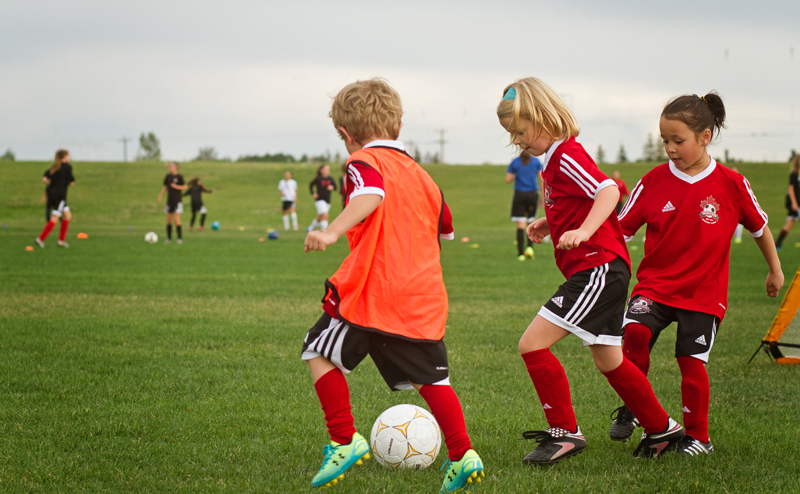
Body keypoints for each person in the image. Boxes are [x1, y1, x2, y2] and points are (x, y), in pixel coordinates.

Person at [302, 78, 483, 492]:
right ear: (397, 126)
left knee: (316, 350)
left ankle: (343, 439)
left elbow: (371, 194)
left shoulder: (364, 162)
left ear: (346, 135)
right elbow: (447, 229)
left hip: (373, 290)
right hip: (420, 297)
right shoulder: (422, 175)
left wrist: (332, 232)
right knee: (433, 381)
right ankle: (462, 454)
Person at [497, 77, 684, 465]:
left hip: (598, 267)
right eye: (511, 135)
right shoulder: (554, 161)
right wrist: (550, 223)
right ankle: (661, 427)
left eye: (520, 131)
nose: (517, 141)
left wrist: (583, 231)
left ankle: (564, 433)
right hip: (604, 268)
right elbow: (578, 198)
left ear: (544, 118)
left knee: (532, 344)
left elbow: (609, 191)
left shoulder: (566, 155)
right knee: (609, 360)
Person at [612, 92, 783, 456]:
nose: (670, 148)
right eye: (664, 141)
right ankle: (638, 410)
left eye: (678, 140)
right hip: (654, 286)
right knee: (635, 333)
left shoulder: (731, 183)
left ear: (704, 137)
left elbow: (759, 229)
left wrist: (775, 269)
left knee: (690, 361)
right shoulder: (653, 180)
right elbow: (620, 230)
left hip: (703, 293)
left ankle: (698, 438)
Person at [506, 150, 543, 260]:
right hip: (532, 194)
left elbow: (507, 179)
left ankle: (521, 254)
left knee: (520, 225)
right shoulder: (536, 162)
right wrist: (542, 196)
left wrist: (515, 177)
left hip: (519, 194)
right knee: (531, 222)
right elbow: (541, 178)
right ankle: (530, 249)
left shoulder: (515, 162)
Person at [35, 149, 75, 248]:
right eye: (68, 156)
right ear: (65, 156)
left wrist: (52, 185)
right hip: (60, 196)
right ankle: (40, 239)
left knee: (68, 216)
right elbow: (71, 182)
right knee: (55, 218)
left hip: (52, 195)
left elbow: (44, 178)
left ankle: (61, 241)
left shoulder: (54, 167)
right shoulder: (67, 167)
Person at [774, 155, 800, 250]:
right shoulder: (794, 174)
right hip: (795, 204)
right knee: (789, 224)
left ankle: (778, 243)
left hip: (798, 203)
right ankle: (777, 244)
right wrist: (794, 203)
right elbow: (791, 188)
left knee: (789, 224)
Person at [157, 162, 187, 244]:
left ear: (176, 167)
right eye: (168, 167)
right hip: (169, 201)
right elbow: (165, 187)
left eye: (170, 167)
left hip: (177, 201)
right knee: (169, 221)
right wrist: (160, 196)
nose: (169, 168)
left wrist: (176, 186)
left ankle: (180, 238)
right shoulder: (168, 176)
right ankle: (169, 239)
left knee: (177, 220)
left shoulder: (179, 177)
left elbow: (185, 187)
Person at [307, 164, 337, 232]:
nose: (327, 171)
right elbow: (311, 185)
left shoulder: (330, 179)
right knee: (325, 215)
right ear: (321, 170)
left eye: (328, 169)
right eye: (325, 169)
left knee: (320, 217)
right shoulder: (318, 178)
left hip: (327, 201)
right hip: (319, 200)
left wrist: (332, 187)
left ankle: (310, 229)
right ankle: (324, 232)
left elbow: (335, 187)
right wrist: (313, 193)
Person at [730, 166, 744, 243]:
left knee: (739, 223)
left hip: (738, 204)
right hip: (730, 205)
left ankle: (738, 237)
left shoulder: (740, 182)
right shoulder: (727, 181)